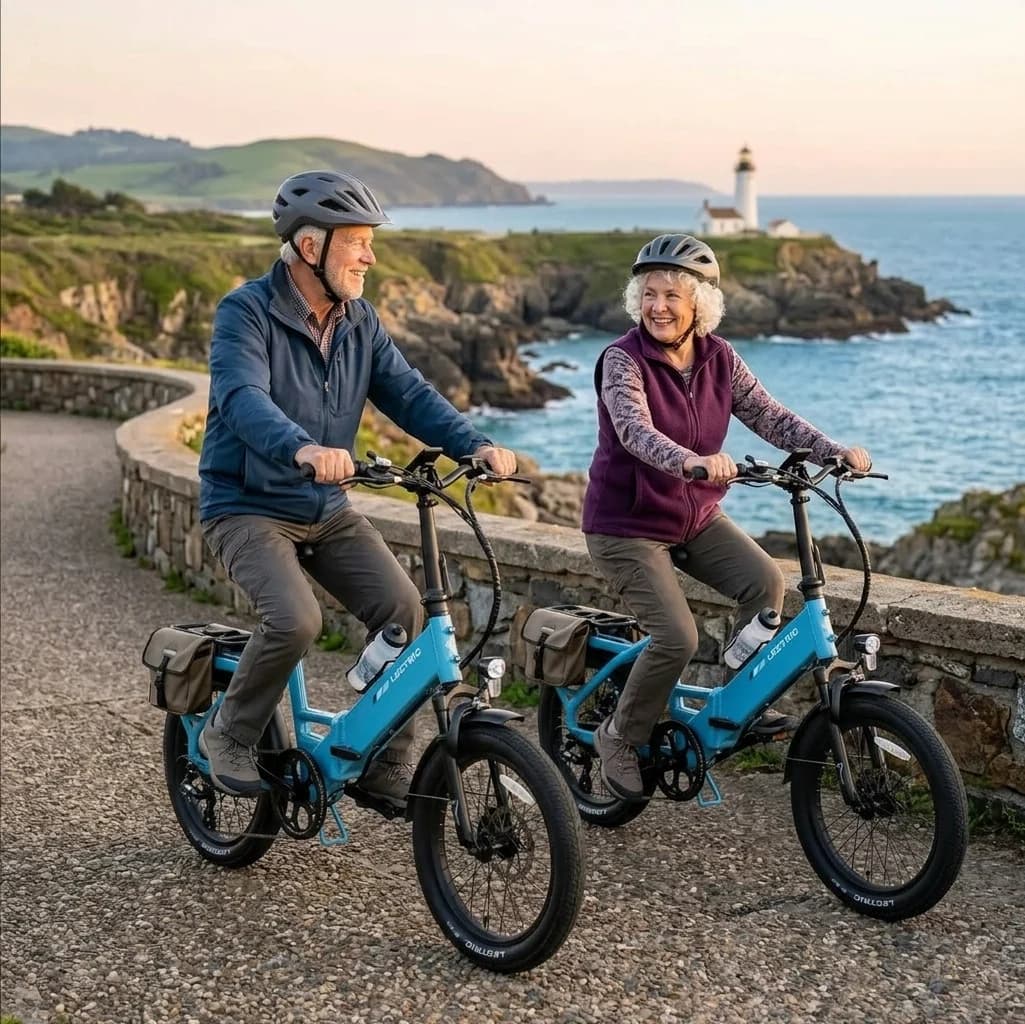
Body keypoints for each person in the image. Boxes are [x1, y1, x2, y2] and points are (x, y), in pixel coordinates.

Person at [196, 170, 515, 805]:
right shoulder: (245, 312)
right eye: (358, 242)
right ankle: (227, 734)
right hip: (247, 506)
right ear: (311, 247)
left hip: (326, 508)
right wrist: (303, 449)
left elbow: (410, 393)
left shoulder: (358, 321)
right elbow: (242, 398)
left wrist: (473, 443)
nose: (370, 256)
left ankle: (379, 760)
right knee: (294, 619)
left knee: (405, 614)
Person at [582, 233, 871, 802]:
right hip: (626, 526)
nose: (658, 307)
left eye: (672, 295)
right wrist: (690, 461)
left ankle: (739, 701)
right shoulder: (623, 359)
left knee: (766, 582)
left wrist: (830, 451)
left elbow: (770, 415)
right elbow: (634, 431)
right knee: (677, 636)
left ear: (698, 306)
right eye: (649, 294)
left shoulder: (720, 357)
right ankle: (618, 734)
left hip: (693, 518)